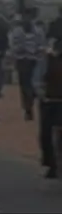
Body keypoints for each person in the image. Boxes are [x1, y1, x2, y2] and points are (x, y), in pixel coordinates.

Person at [33, 19, 62, 178]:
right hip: (50, 100)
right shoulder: (47, 59)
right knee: (45, 134)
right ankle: (50, 163)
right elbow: (37, 79)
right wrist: (41, 92)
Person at [10, 8, 46, 121]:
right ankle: (28, 109)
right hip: (22, 61)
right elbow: (13, 46)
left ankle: (31, 100)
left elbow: (42, 45)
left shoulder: (39, 31)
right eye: (25, 16)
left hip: (34, 61)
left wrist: (37, 51)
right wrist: (21, 50)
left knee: (33, 85)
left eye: (29, 16)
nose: (27, 18)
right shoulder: (17, 31)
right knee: (24, 86)